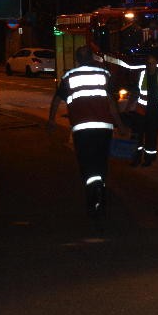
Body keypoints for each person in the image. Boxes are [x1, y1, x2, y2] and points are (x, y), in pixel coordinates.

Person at [47, 45, 128, 224]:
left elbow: (56, 101)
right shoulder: (103, 74)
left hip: (82, 129)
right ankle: (101, 191)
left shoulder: (69, 77)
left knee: (86, 163)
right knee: (101, 162)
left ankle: (93, 197)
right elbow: (111, 103)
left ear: (76, 60)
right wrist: (120, 126)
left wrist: (51, 121)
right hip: (104, 129)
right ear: (92, 58)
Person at [130, 52, 158, 167]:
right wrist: (129, 106)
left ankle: (149, 159)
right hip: (141, 111)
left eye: (152, 63)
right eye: (148, 63)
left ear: (156, 63)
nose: (150, 65)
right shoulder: (142, 74)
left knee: (151, 137)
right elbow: (137, 91)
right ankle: (136, 158)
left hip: (155, 112)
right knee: (137, 137)